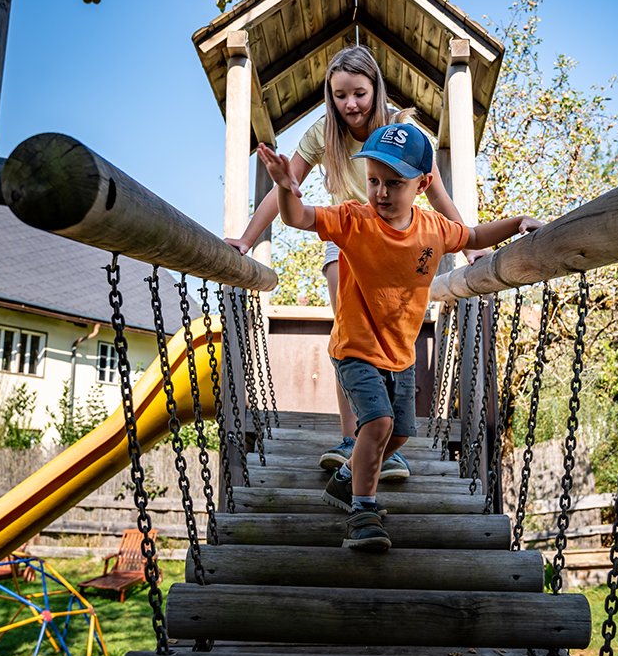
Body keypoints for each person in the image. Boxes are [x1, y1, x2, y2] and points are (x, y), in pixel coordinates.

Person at [260, 123, 542, 551]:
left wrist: (518, 222)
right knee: (378, 423)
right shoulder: (353, 220)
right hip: (355, 348)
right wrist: (286, 188)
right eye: (374, 180)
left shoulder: (433, 229)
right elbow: (297, 217)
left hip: (401, 353)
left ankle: (345, 478)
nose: (381, 192)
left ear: (422, 185)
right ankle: (362, 512)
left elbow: (474, 236)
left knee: (400, 435)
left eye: (394, 183)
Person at [225, 45, 485, 480]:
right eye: (340, 94)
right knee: (352, 337)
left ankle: (382, 443)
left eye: (359, 93)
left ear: (375, 89)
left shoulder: (401, 130)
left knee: (391, 338)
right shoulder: (324, 132)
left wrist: (468, 244)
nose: (350, 104)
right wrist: (248, 240)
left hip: (396, 244)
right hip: (347, 237)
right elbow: (285, 188)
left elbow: (437, 192)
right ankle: (353, 438)